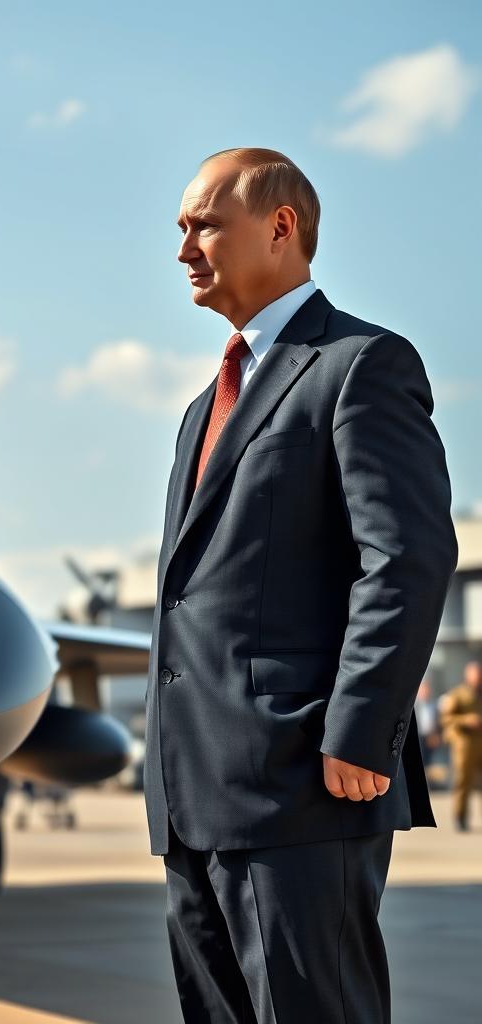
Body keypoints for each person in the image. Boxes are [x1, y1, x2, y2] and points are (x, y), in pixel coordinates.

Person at [143, 147, 458, 1023]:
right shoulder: (201, 410)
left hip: (304, 788)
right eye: (180, 230)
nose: (184, 250)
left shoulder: (361, 365)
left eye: (203, 223)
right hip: (192, 796)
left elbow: (405, 560)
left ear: (281, 227)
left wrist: (361, 734)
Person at [438, 660, 482, 831]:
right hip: (465, 744)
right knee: (463, 781)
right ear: (468, 675)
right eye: (475, 674)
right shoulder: (457, 695)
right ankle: (460, 816)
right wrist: (466, 720)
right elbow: (446, 718)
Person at [414, 678, 441, 775]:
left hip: (430, 736)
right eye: (423, 689)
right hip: (418, 736)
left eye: (427, 689)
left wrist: (436, 735)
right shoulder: (414, 705)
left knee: (428, 760)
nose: (425, 692)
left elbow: (438, 722)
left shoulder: (434, 704)